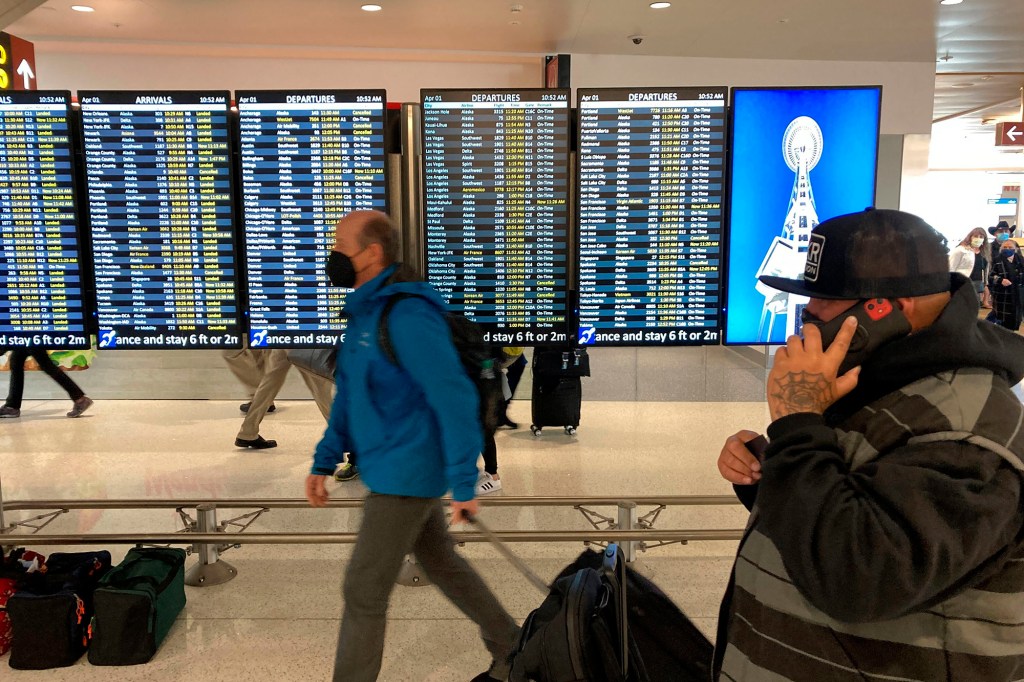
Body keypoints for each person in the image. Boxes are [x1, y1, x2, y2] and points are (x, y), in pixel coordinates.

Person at [715, 208, 1024, 680]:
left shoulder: (970, 432)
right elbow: (847, 503)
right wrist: (768, 468)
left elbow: (855, 576)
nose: (808, 321)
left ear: (887, 310)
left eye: (822, 307)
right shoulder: (882, 383)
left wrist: (798, 423)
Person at [304, 210, 518, 682]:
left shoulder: (408, 316)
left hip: (409, 473)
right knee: (442, 562)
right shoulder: (365, 314)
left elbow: (454, 396)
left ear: (372, 253)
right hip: (388, 467)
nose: (333, 254)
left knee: (363, 588)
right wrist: (323, 459)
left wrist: (464, 480)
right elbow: (350, 397)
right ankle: (512, 644)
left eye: (341, 244)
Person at [228, 347, 334, 449]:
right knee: (320, 386)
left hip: (284, 336)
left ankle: (248, 431)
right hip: (301, 336)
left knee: (270, 381)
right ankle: (341, 434)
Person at [0, 348, 93, 419]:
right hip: (29, 330)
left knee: (45, 364)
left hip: (30, 330)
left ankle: (80, 399)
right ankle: (12, 406)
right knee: (17, 360)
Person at [989, 238, 1024, 331]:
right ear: (1001, 248)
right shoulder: (996, 260)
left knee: (1015, 318)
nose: (1007, 249)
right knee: (1002, 320)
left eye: (1010, 247)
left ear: (1015, 249)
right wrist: (1000, 280)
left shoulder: (1021, 260)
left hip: (1018, 295)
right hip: (1002, 296)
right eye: (1005, 247)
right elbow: (991, 276)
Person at [949, 226, 987, 302]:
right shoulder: (960, 250)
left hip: (977, 285)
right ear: (970, 237)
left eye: (981, 237)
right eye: (975, 236)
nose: (978, 238)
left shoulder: (984, 253)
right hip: (961, 285)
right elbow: (950, 268)